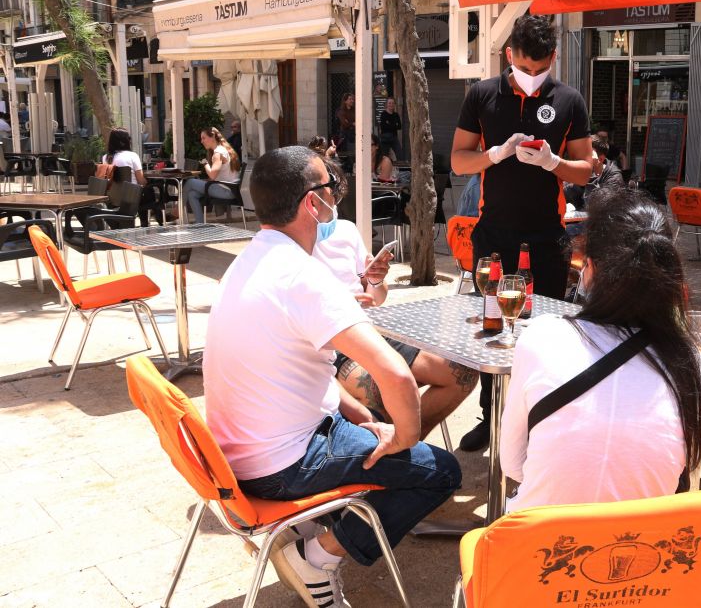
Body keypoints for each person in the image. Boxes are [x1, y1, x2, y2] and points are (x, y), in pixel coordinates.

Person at [203, 146, 460, 607]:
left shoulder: (247, 263)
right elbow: (396, 376)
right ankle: (317, 555)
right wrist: (404, 438)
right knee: (438, 471)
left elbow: (303, 369)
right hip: (282, 466)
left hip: (236, 458)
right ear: (310, 202)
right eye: (331, 187)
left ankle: (315, 530)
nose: (335, 196)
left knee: (376, 432)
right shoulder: (303, 275)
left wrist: (363, 418)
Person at [500, 189, 701, 511]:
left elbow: (513, 464)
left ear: (592, 269)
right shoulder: (695, 365)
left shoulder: (543, 337)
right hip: (642, 554)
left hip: (538, 552)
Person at [450, 14, 594, 451]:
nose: (532, 77)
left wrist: (554, 163)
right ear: (509, 55)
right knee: (491, 328)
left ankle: (538, 423)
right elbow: (458, 160)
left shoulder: (569, 100)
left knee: (543, 334)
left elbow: (587, 171)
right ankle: (490, 416)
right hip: (493, 235)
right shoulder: (482, 95)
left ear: (553, 58)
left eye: (540, 69)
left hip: (547, 237)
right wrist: (493, 154)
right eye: (524, 68)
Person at [313, 169, 479, 438]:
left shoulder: (345, 230)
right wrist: (338, 304)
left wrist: (376, 280)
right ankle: (395, 452)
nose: (334, 197)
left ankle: (404, 444)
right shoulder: (287, 249)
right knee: (390, 393)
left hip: (373, 329)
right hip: (334, 345)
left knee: (462, 370)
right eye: (329, 191)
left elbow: (377, 297)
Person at [181, 127, 241, 223]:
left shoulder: (218, 153)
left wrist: (205, 163)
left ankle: (178, 209)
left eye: (203, 138)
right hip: (229, 189)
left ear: (212, 137)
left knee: (190, 182)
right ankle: (199, 224)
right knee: (192, 194)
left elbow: (212, 176)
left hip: (226, 191)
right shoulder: (223, 149)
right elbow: (215, 177)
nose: (201, 141)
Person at [563, 134, 625, 212]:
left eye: (587, 153)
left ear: (601, 159)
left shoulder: (614, 177)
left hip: (601, 221)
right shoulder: (581, 168)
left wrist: (588, 177)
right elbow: (564, 192)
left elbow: (597, 205)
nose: (582, 157)